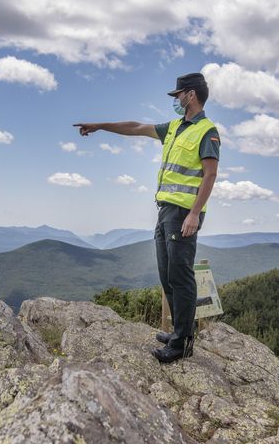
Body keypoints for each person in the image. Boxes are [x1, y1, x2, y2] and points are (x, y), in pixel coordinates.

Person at [74, 72, 220, 363]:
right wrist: (101, 126)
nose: (176, 100)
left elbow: (210, 174)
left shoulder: (207, 131)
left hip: (183, 214)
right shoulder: (176, 127)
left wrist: (193, 214)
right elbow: (137, 127)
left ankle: (182, 343)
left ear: (190, 94)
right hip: (165, 210)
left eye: (178, 95)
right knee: (167, 274)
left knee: (180, 275)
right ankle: (179, 330)